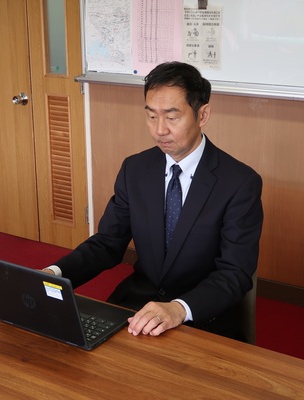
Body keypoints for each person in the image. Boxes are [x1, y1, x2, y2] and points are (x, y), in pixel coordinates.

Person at [43, 61, 263, 341]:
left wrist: (179, 308)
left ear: (203, 115)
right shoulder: (135, 169)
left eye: (172, 117)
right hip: (138, 306)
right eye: (151, 116)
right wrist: (54, 273)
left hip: (201, 317)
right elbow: (107, 243)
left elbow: (235, 272)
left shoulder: (239, 183)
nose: (160, 130)